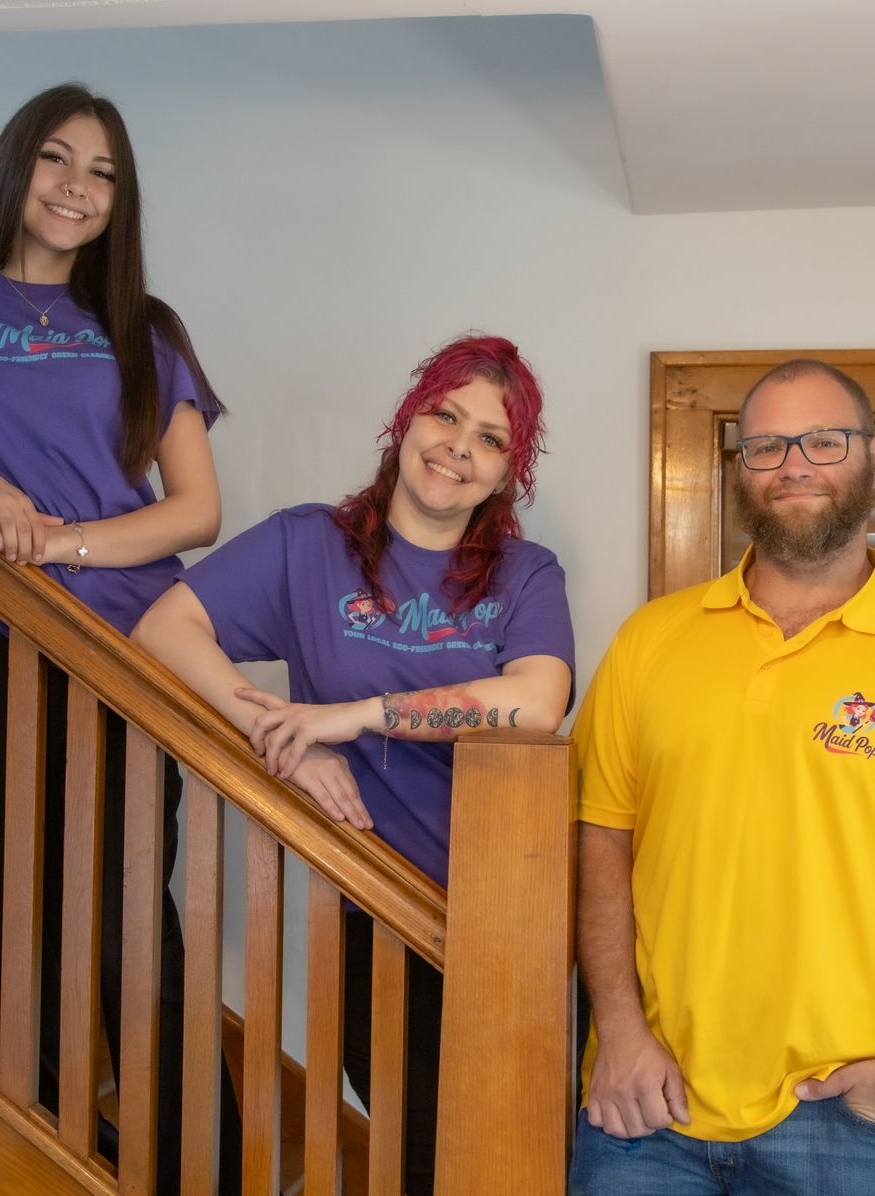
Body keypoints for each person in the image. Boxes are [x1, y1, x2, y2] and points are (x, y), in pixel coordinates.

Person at [0, 82, 238, 1188]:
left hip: (127, 650)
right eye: (58, 158)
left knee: (123, 920)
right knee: (7, 906)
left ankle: (198, 1165)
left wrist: (55, 543)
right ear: (15, 167)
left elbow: (197, 511)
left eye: (102, 172)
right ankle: (64, 1143)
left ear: (120, 201)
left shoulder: (145, 328)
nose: (76, 186)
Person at [571, 359, 875, 1194]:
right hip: (644, 1102)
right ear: (741, 469)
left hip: (837, 1114)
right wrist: (618, 1031)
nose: (793, 465)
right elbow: (601, 843)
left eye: (823, 441)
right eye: (766, 446)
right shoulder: (649, 642)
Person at [136, 333, 575, 1194]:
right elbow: (164, 629)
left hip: (509, 914)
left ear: (506, 472)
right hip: (377, 907)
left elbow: (537, 700)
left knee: (508, 1151)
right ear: (406, 421)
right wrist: (285, 741)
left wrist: (358, 716)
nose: (458, 446)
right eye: (445, 415)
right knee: (420, 1155)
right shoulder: (308, 546)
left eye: (491, 438)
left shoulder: (526, 574)